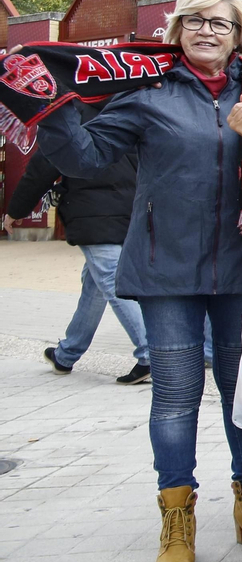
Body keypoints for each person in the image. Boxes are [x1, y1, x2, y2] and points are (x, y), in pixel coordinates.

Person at [35, 0, 242, 562]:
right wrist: (51, 110)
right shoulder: (144, 89)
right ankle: (177, 518)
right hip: (163, 268)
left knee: (239, 392)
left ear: (238, 36)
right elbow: (89, 157)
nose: (206, 31)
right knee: (174, 394)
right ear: (176, 30)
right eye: (194, 21)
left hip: (238, 266)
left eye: (220, 24)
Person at [6, 116, 149, 384]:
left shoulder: (67, 118)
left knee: (110, 279)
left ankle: (149, 353)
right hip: (129, 208)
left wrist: (15, 211)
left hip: (92, 211)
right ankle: (67, 354)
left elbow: (42, 167)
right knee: (94, 284)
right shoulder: (123, 112)